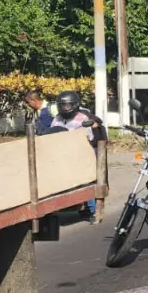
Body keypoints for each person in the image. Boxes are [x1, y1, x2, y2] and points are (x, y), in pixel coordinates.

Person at [50, 90, 107, 220]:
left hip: (81, 155)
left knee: (85, 181)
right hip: (61, 154)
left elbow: (90, 139)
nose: (65, 108)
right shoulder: (57, 119)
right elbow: (52, 133)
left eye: (67, 105)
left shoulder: (83, 118)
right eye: (62, 105)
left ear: (75, 105)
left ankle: (92, 210)